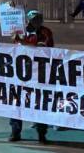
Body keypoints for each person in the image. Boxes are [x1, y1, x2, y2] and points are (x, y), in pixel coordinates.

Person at [10, 10, 53, 143]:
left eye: (39, 19)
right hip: (20, 73)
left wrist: (22, 42)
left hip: (39, 74)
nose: (37, 21)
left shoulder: (46, 32)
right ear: (28, 20)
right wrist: (9, 9)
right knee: (16, 103)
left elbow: (42, 47)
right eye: (34, 19)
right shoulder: (19, 31)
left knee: (40, 104)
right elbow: (2, 21)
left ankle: (41, 134)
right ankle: (15, 132)